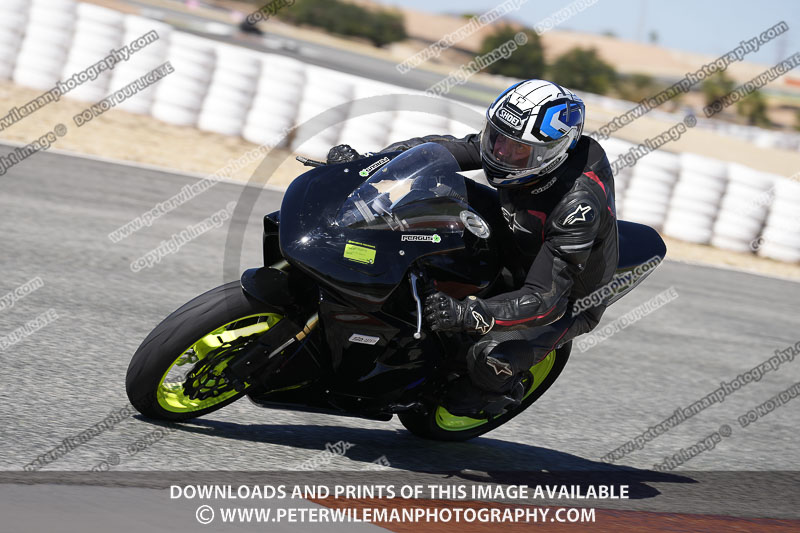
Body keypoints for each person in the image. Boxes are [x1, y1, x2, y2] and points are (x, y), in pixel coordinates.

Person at [327, 79, 619, 416]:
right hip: (517, 233)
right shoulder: (517, 149)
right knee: (429, 187)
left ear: (551, 154)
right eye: (497, 138)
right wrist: (370, 164)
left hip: (567, 297)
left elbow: (545, 298)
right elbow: (437, 152)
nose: (501, 153)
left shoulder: (577, 206)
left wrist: (469, 313)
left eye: (517, 149)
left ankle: (500, 392)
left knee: (486, 362)